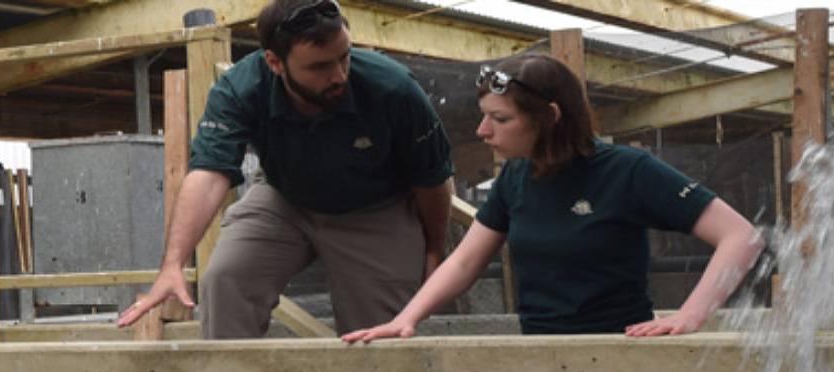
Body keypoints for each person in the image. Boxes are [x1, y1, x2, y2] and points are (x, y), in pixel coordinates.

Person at [341, 54, 763, 343]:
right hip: (539, 353)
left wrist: (690, 315)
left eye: (500, 119)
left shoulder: (628, 170)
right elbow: (466, 261)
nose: (482, 131)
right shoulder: (515, 178)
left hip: (619, 351)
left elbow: (741, 237)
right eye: (484, 115)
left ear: (551, 117)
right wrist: (406, 319)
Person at [116, 0, 457, 338]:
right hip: (285, 197)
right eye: (320, 66)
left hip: (375, 207)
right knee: (226, 279)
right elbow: (208, 173)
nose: (339, 75)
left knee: (379, 336)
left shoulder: (394, 89)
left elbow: (432, 179)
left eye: (344, 56)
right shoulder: (241, 88)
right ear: (275, 62)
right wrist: (173, 263)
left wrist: (433, 250)